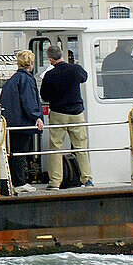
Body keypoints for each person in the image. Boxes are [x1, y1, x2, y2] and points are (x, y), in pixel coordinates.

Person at [40, 45, 93, 189]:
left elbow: (44, 95)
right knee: (81, 147)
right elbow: (84, 78)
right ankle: (87, 179)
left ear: (50, 58)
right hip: (76, 113)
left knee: (56, 148)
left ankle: (55, 182)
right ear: (62, 54)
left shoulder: (50, 75)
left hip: (58, 113)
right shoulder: (75, 69)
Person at [0, 50, 45, 193]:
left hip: (12, 123)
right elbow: (29, 101)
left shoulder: (12, 80)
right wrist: (37, 117)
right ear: (30, 63)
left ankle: (14, 180)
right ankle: (20, 182)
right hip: (23, 123)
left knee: (14, 153)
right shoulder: (27, 79)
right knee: (21, 153)